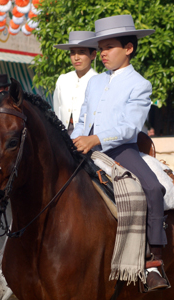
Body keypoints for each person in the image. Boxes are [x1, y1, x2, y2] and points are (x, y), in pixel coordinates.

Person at [71, 15, 169, 291]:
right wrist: (72, 139)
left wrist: (95, 139)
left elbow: (130, 128)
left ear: (129, 48)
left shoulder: (140, 84)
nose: (102, 53)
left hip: (120, 150)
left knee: (152, 189)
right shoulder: (94, 82)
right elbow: (81, 120)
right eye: (100, 47)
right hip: (85, 145)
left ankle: (155, 262)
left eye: (109, 46)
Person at [53, 31, 98, 135]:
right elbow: (57, 110)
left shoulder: (98, 81)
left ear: (93, 55)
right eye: (72, 52)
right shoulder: (63, 79)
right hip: (62, 134)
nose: (76, 57)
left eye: (82, 52)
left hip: (88, 135)